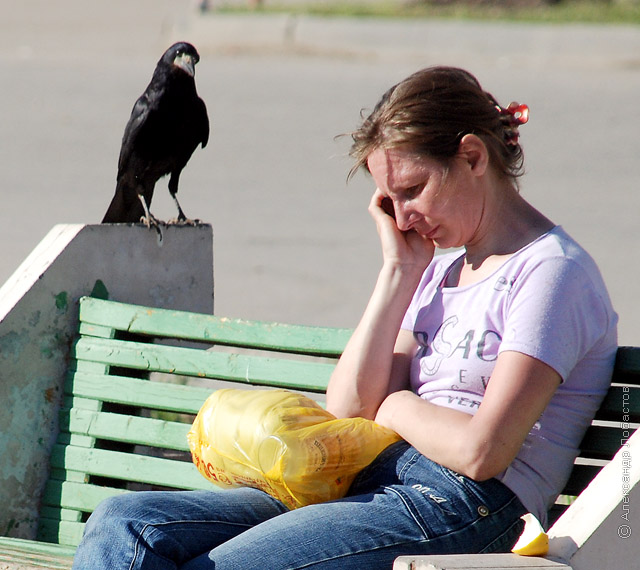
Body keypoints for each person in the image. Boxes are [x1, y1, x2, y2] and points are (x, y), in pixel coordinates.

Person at [71, 66, 618, 569]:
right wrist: (400, 270)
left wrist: (395, 405)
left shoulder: (551, 273)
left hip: (465, 505)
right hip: (372, 476)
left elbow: (482, 452)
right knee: (126, 523)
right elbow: (350, 408)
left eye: (412, 190)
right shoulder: (440, 270)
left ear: (473, 157)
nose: (402, 217)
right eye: (389, 200)